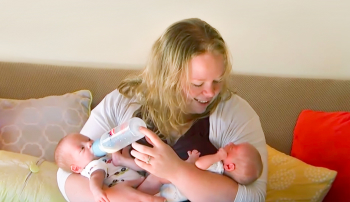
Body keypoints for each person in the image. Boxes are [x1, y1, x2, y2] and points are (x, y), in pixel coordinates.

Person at [57, 17, 268, 202]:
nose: (211, 92)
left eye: (218, 80)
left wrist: (176, 171)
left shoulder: (235, 114)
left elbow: (253, 196)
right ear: (166, 77)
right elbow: (66, 172)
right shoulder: (124, 101)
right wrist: (114, 198)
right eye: (197, 84)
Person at [54, 133, 146, 202]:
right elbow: (96, 177)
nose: (89, 143)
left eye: (88, 139)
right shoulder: (93, 165)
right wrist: (96, 191)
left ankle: (120, 160)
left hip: (138, 183)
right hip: (135, 190)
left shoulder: (103, 158)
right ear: (76, 168)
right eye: (82, 148)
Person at [158, 142, 263, 201]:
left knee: (158, 182)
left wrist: (217, 156)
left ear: (230, 166)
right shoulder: (222, 176)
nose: (230, 143)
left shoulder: (218, 166)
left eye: (232, 148)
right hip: (177, 191)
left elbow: (199, 164)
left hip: (175, 191)